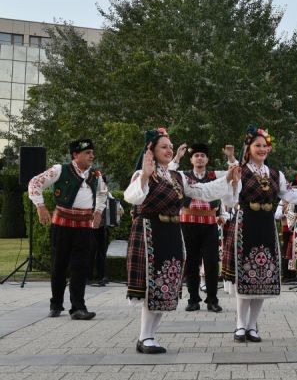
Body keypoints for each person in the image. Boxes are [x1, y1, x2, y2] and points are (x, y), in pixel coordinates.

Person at [124, 128, 239, 354]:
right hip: (150, 231)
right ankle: (145, 337)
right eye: (164, 147)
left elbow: (203, 191)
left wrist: (227, 178)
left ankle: (149, 336)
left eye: (170, 146)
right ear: (151, 150)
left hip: (172, 231)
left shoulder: (176, 177)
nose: (169, 150)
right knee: (152, 284)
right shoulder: (142, 174)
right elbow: (132, 197)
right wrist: (145, 175)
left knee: (165, 282)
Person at [225, 126, 297, 344]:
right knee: (245, 275)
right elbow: (230, 200)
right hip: (246, 224)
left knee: (263, 276)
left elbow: (295, 196)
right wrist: (233, 183)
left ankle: (252, 325)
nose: (262, 149)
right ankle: (240, 324)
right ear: (248, 148)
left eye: (264, 146)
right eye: (257, 145)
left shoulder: (276, 174)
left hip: (266, 225)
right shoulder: (240, 171)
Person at [28, 139, 109, 319]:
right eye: (87, 153)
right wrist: (40, 206)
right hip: (62, 226)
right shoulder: (59, 170)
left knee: (80, 267)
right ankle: (56, 304)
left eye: (92, 153)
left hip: (84, 227)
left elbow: (103, 193)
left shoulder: (95, 175)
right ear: (75, 155)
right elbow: (34, 183)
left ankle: (78, 308)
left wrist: (98, 211)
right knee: (59, 266)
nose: (92, 156)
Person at [170, 142, 237, 313]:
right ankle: (193, 299)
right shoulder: (183, 176)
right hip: (188, 222)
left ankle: (212, 300)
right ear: (191, 160)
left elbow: (235, 172)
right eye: (196, 156)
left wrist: (230, 157)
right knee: (191, 262)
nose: (199, 158)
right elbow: (168, 173)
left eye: (202, 156)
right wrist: (177, 157)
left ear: (207, 159)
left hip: (209, 224)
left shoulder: (215, 175)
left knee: (211, 262)